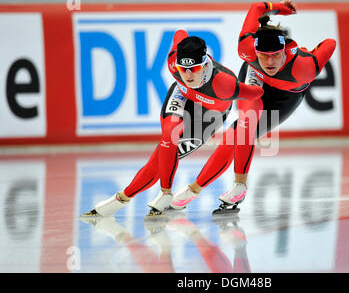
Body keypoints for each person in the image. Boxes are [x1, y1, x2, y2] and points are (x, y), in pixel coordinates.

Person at [168, 0, 337, 214]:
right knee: (243, 127)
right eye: (263, 55)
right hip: (254, 79)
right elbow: (258, 7)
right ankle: (225, 187)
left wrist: (312, 53)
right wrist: (279, 8)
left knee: (237, 134)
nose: (269, 62)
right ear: (254, 50)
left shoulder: (304, 68)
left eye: (276, 54)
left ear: (284, 50)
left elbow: (330, 43)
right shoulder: (246, 50)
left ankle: (211, 188)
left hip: (285, 96)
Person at [81, 29, 264, 219]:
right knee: (168, 137)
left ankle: (125, 198)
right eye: (182, 69)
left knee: (161, 162)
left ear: (204, 64)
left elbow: (255, 93)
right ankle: (161, 193)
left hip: (210, 114)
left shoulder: (224, 84)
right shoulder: (172, 61)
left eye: (193, 69)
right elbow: (180, 33)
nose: (187, 75)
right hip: (182, 96)